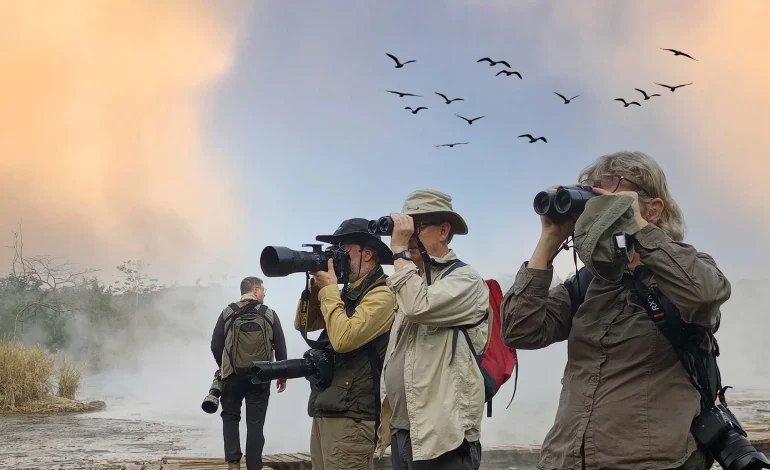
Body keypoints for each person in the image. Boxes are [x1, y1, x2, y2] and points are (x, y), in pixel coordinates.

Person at [500, 151, 731, 470]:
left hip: (651, 463)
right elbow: (518, 330)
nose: (599, 203)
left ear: (653, 209)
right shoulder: (588, 284)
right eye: (592, 192)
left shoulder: (688, 272)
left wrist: (635, 225)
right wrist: (550, 239)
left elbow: (704, 295)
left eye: (611, 190)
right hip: (566, 459)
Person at [377, 189, 490, 470]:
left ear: (443, 231)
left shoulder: (465, 279)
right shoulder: (413, 280)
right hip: (407, 429)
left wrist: (399, 252)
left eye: (417, 227)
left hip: (443, 436)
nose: (410, 236)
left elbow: (419, 306)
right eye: (405, 228)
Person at [293, 218, 397, 470]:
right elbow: (304, 324)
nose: (335, 255)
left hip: (353, 418)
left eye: (343, 249)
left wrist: (329, 291)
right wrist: (315, 288)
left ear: (368, 253)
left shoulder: (382, 295)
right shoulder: (347, 293)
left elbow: (343, 339)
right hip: (327, 408)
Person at [210, 276, 288, 470]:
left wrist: (224, 366)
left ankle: (234, 462)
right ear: (254, 290)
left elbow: (215, 345)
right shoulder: (268, 313)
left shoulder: (228, 312)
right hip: (260, 376)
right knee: (255, 423)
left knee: (230, 417)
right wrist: (282, 375)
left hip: (231, 376)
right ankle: (254, 465)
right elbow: (280, 346)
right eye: (263, 290)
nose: (263, 294)